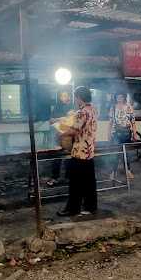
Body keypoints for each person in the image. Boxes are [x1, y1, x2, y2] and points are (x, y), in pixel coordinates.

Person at [57, 86, 98, 217]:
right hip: (90, 151)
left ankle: (73, 209)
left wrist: (62, 133)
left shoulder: (82, 112)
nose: (75, 100)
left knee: (75, 183)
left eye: (75, 97)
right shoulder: (93, 109)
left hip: (80, 151)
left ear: (80, 98)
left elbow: (75, 130)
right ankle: (90, 207)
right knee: (89, 181)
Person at [108, 93, 136, 180]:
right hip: (116, 133)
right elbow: (110, 122)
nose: (119, 98)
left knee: (127, 153)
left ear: (124, 98)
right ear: (115, 97)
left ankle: (128, 171)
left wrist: (134, 133)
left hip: (127, 133)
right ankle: (113, 172)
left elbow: (133, 122)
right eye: (118, 96)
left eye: (121, 96)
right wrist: (108, 134)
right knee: (115, 153)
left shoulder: (129, 107)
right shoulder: (112, 108)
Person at [47, 91, 73, 186]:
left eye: (66, 95)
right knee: (57, 157)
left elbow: (75, 121)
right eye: (62, 95)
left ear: (69, 96)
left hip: (69, 137)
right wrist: (59, 119)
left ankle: (68, 177)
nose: (64, 97)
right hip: (58, 136)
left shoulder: (73, 107)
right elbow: (50, 120)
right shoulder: (57, 107)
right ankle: (55, 177)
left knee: (69, 157)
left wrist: (70, 116)